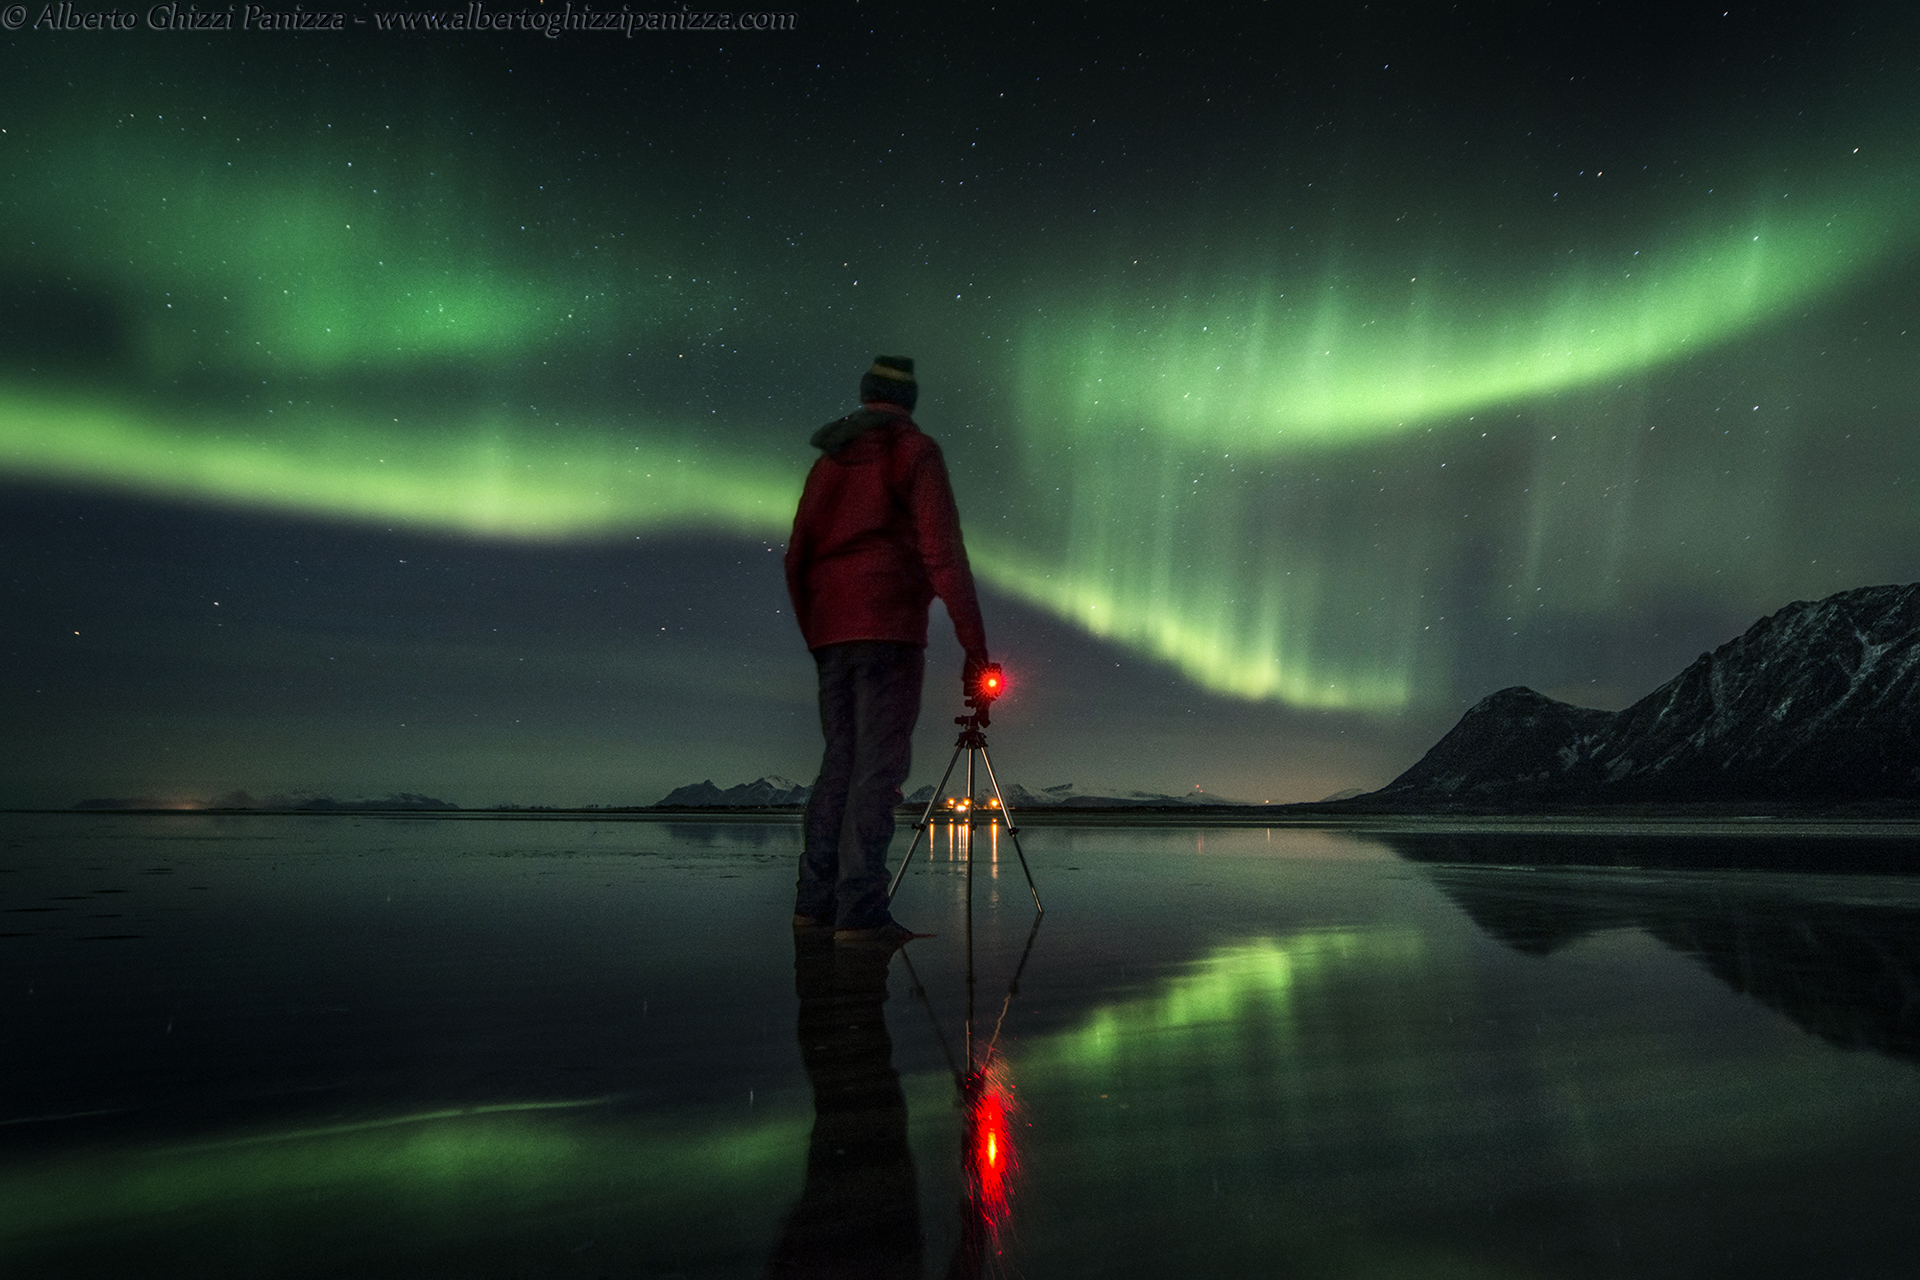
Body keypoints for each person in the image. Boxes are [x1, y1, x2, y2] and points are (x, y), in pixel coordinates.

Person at [784, 355, 990, 942]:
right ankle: (860, 913)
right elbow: (943, 552)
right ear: (908, 401)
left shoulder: (828, 464)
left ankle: (813, 904)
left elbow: (797, 556)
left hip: (832, 635)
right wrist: (974, 645)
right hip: (890, 631)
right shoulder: (914, 453)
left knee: (839, 765)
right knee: (878, 769)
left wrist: (817, 630)